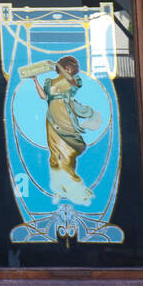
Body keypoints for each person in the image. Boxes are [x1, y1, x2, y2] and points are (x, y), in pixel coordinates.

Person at [31, 55, 99, 205]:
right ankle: (58, 189)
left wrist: (61, 67)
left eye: (70, 68)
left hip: (66, 118)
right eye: (66, 67)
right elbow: (43, 96)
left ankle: (77, 191)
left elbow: (73, 81)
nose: (68, 70)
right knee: (55, 154)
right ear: (61, 66)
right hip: (52, 119)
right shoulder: (50, 82)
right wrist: (35, 80)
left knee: (68, 154)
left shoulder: (72, 81)